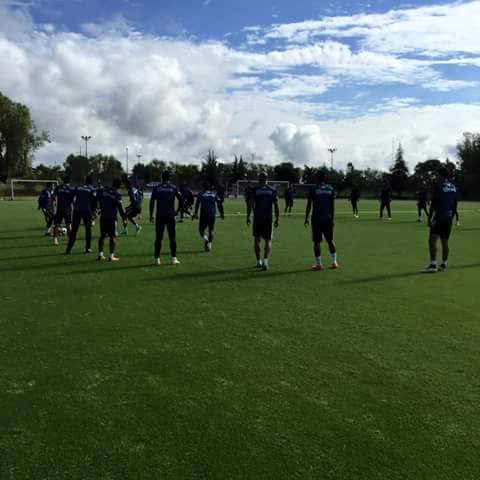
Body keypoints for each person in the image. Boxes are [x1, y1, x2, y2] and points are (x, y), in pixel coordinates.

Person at [422, 167, 458, 273]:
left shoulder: (438, 186)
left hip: (439, 217)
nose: (436, 176)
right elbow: (455, 204)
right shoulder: (453, 187)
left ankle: (433, 265)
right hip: (448, 217)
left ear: (441, 175)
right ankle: (444, 265)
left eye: (437, 174)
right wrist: (452, 217)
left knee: (432, 240)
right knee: (445, 241)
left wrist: (429, 218)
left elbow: (434, 203)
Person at [304, 170, 338, 271]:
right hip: (328, 219)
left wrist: (306, 217)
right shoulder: (330, 189)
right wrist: (332, 218)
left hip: (317, 219)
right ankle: (334, 262)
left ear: (318, 178)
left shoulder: (314, 189)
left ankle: (319, 264)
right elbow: (332, 206)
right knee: (330, 240)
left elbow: (309, 204)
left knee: (317, 242)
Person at [246, 172, 279, 271]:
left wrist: (248, 217)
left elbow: (251, 204)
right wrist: (277, 218)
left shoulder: (255, 189)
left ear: (259, 179)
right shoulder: (272, 190)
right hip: (268, 218)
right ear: (267, 178)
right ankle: (265, 262)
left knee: (257, 240)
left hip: (258, 218)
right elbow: (276, 206)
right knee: (268, 240)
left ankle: (258, 261)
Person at [149, 171, 182, 266]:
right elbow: (181, 200)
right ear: (169, 178)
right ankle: (173, 258)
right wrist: (177, 211)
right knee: (172, 237)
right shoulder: (173, 187)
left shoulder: (157, 188)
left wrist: (151, 215)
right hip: (170, 215)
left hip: (160, 215)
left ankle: (157, 259)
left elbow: (152, 202)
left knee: (158, 237)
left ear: (161, 177)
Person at [97, 178, 125, 262]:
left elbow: (98, 197)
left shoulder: (104, 191)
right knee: (113, 237)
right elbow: (120, 208)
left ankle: (100, 254)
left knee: (102, 236)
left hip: (103, 216)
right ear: (119, 186)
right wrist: (124, 217)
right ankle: (111, 256)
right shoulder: (117, 195)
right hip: (112, 218)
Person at [66, 175, 96, 254]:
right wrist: (94, 212)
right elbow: (95, 201)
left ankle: (69, 249)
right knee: (88, 229)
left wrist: (71, 203)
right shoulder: (92, 189)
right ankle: (88, 248)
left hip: (77, 210)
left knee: (74, 230)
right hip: (87, 211)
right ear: (91, 182)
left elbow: (71, 194)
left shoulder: (78, 187)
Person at [193, 183, 225, 252]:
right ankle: (209, 245)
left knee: (201, 230)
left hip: (204, 214)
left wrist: (195, 213)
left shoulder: (201, 194)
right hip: (212, 214)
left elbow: (197, 204)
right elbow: (220, 204)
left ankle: (206, 239)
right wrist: (222, 213)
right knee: (211, 230)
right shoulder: (214, 194)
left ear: (203, 188)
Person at [52, 176, 75, 246]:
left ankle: (55, 240)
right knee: (69, 225)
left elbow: (53, 196)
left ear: (63, 181)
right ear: (69, 182)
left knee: (57, 224)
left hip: (59, 209)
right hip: (67, 209)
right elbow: (73, 200)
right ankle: (69, 240)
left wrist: (54, 202)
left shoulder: (58, 187)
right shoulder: (71, 188)